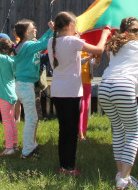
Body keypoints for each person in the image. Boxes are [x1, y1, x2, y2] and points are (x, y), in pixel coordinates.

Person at [47, 12, 111, 175]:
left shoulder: (51, 41)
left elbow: (70, 60)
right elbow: (99, 49)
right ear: (69, 26)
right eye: (74, 25)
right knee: (72, 131)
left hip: (57, 90)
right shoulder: (73, 41)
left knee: (64, 130)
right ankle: (70, 168)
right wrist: (104, 34)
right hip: (71, 92)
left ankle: (63, 166)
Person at [97, 17, 138, 190]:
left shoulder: (113, 46)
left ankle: (120, 174)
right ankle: (124, 179)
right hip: (124, 87)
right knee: (133, 133)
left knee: (119, 131)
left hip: (105, 87)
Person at [12, 19, 54, 159]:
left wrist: (49, 31)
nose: (35, 29)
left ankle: (32, 145)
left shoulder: (25, 45)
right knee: (31, 118)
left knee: (32, 117)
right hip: (26, 86)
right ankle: (27, 151)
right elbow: (43, 44)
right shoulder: (28, 45)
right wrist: (55, 33)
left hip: (23, 85)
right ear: (27, 32)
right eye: (33, 28)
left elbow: (40, 43)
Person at [78, 53, 95, 142]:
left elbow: (95, 64)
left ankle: (84, 132)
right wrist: (89, 58)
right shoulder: (76, 46)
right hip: (78, 80)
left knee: (86, 108)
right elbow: (75, 63)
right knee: (80, 108)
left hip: (87, 80)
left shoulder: (89, 49)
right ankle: (79, 133)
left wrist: (97, 58)